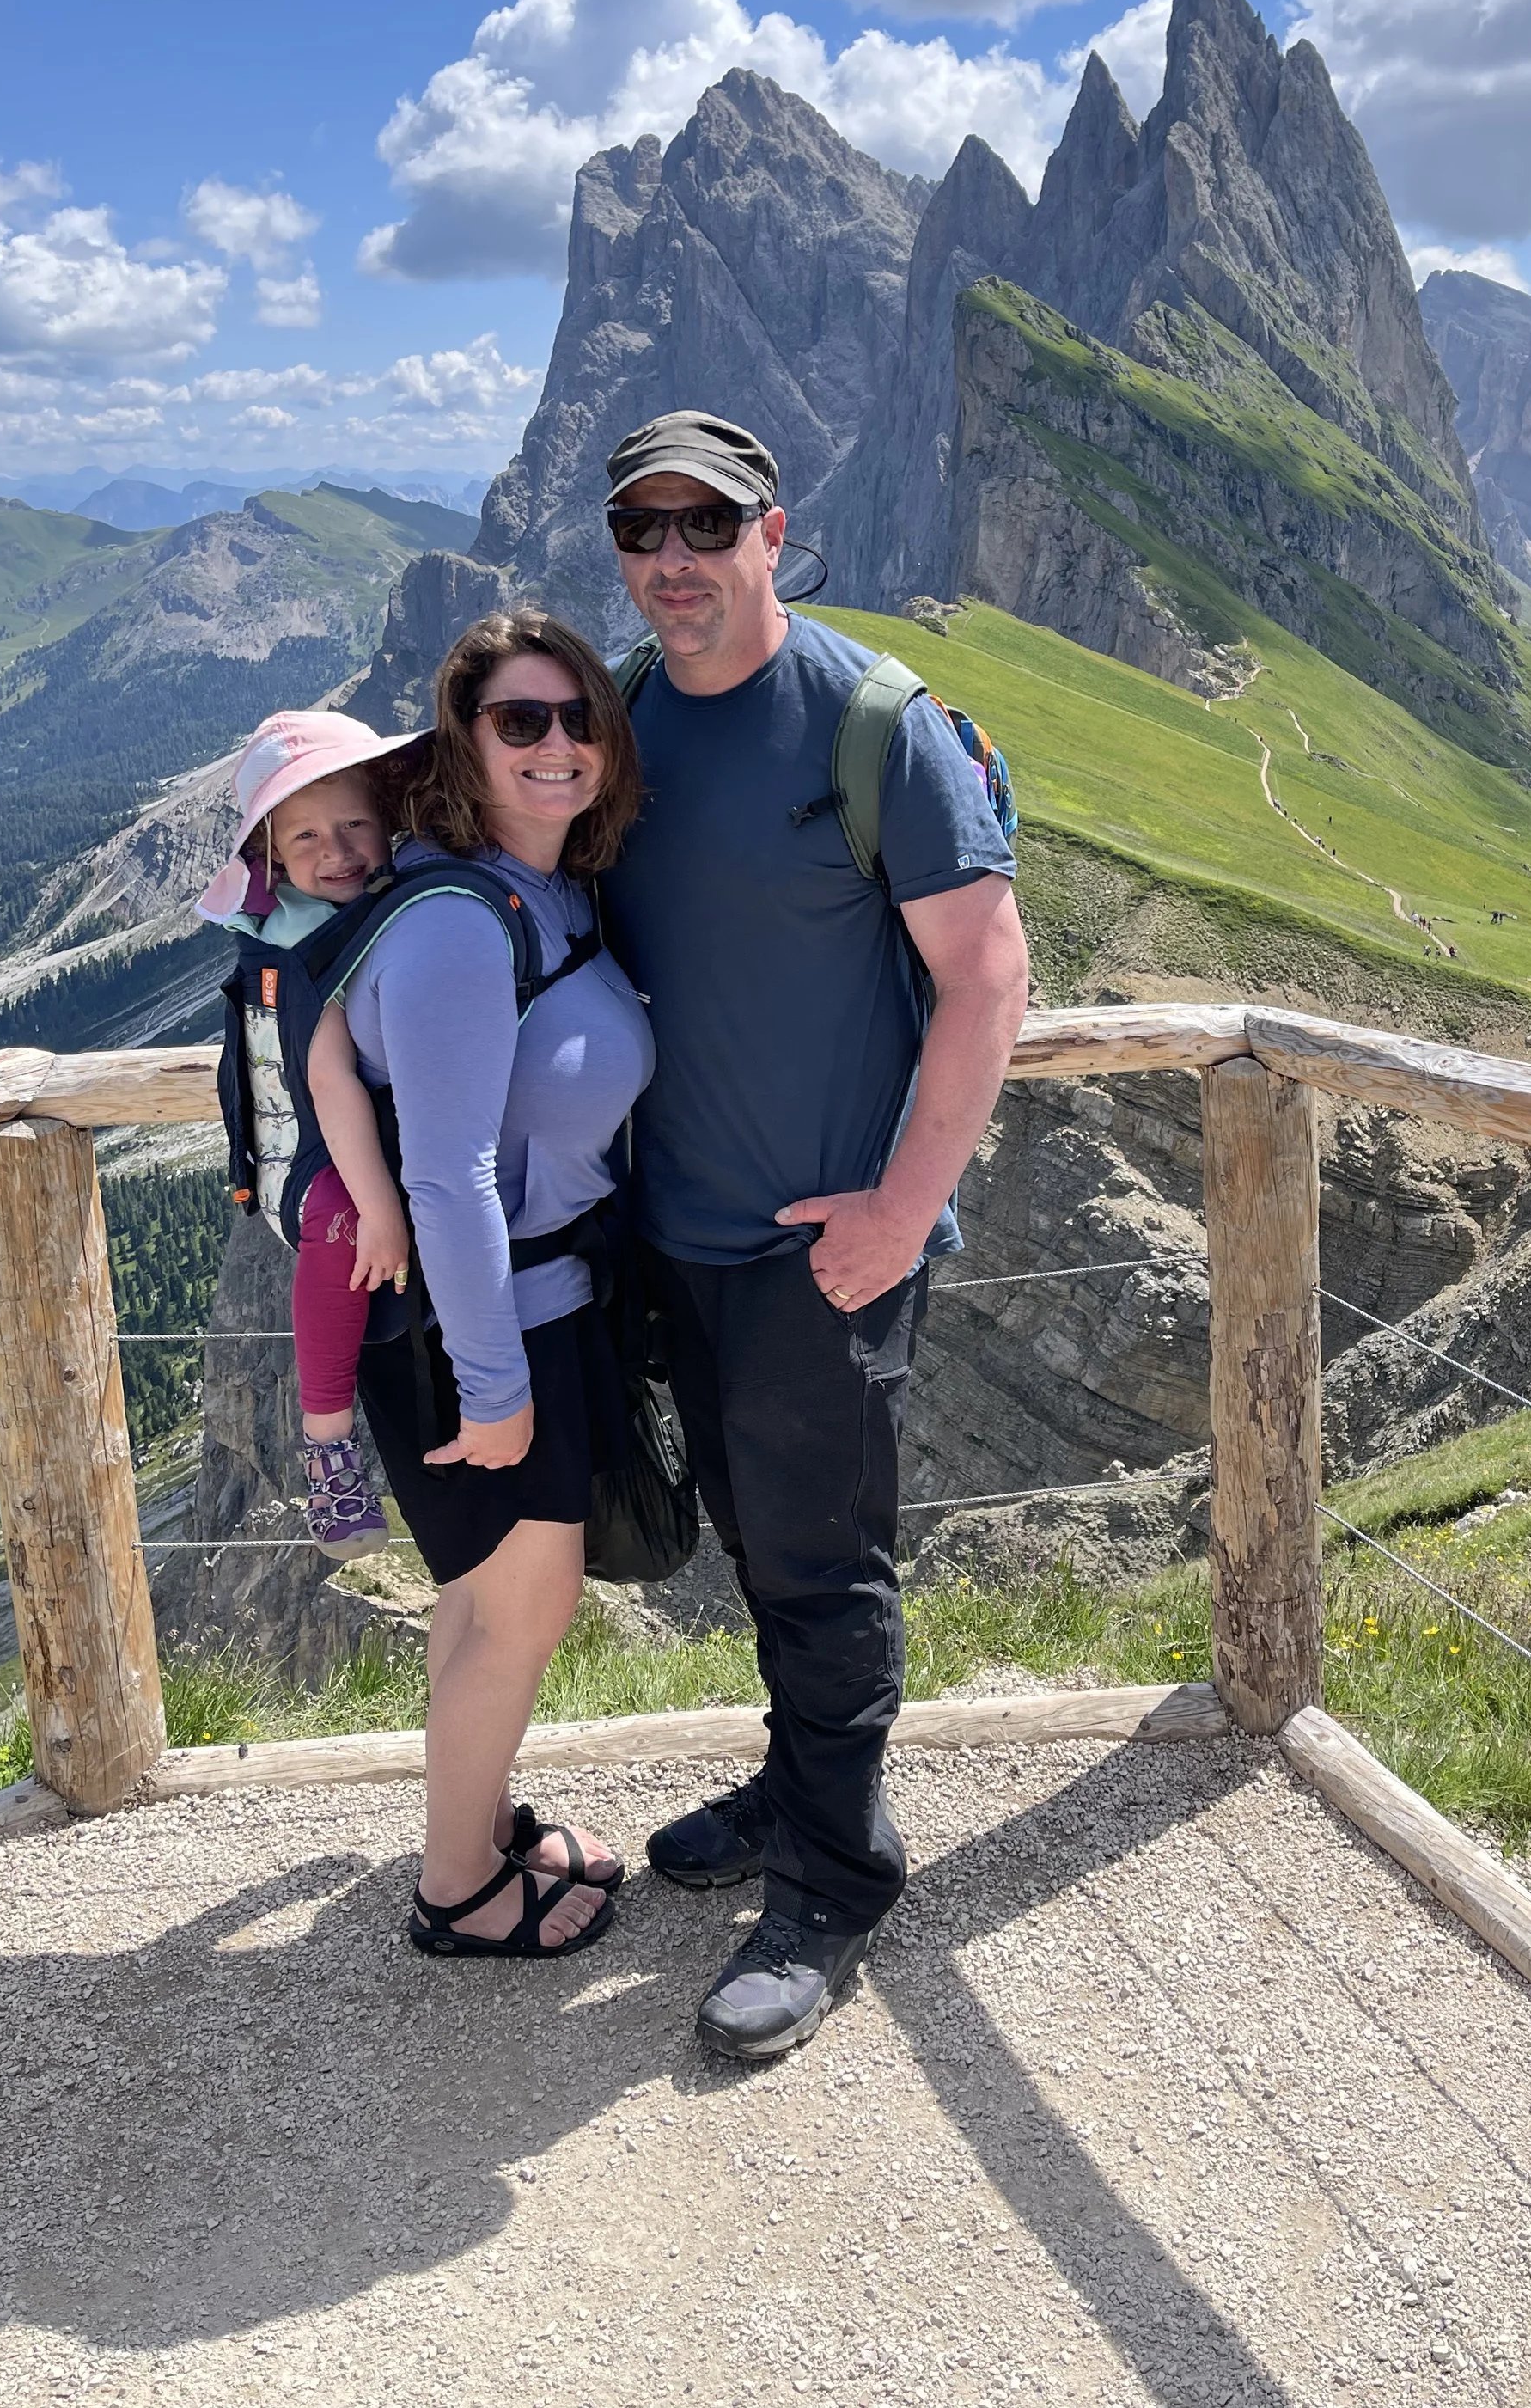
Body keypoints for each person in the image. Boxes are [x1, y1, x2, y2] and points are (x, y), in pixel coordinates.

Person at [601, 408, 1031, 2059]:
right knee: (753, 1533)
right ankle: (797, 1790)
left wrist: (903, 1214)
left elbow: (990, 978)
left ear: (774, 532)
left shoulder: (874, 724)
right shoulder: (629, 715)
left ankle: (839, 1876)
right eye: (645, 531)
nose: (674, 562)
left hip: (822, 1251)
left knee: (823, 1556)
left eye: (707, 526)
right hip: (680, 1236)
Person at [343, 610, 655, 1959]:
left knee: (481, 1602)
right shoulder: (463, 925)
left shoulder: (546, 890)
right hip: (489, 1328)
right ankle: (460, 1893)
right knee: (523, 1609)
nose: (557, 744)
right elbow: (449, 1177)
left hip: (532, 1307)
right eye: (518, 721)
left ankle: (473, 1823)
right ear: (462, 744)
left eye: (578, 718)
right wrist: (495, 1387)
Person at [198, 712, 421, 1562]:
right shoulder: (307, 942)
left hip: (317, 1138)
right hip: (316, 1166)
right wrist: (381, 1211)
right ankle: (327, 1445)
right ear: (271, 860)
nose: (339, 850)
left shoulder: (316, 915)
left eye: (356, 824)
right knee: (345, 1227)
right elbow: (328, 1079)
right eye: (307, 837)